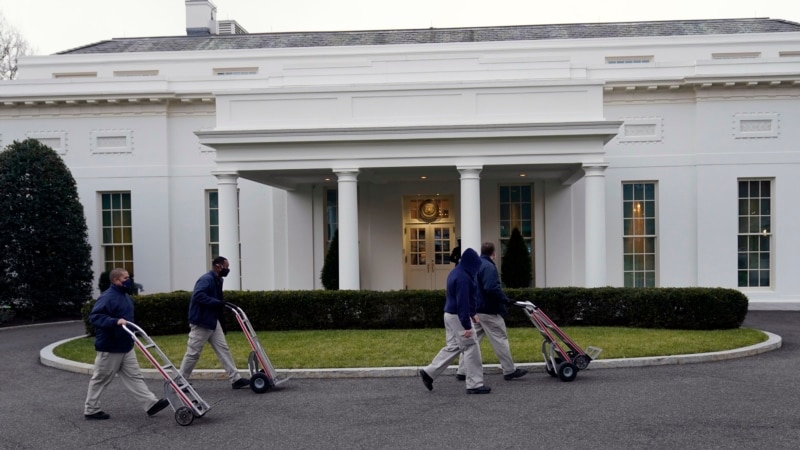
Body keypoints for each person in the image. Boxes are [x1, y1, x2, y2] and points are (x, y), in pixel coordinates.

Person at [84, 268, 169, 420]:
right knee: (101, 378)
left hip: (126, 344)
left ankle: (150, 404)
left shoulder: (125, 296)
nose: (128, 280)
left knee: (135, 376)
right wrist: (115, 321)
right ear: (116, 280)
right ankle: (91, 409)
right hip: (110, 347)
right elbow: (95, 317)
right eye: (125, 278)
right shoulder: (108, 297)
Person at [419, 248, 491, 394]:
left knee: (454, 346)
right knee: (471, 346)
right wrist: (467, 326)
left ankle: (429, 372)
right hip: (458, 316)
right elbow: (462, 304)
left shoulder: (457, 272)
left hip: (450, 314)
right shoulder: (464, 278)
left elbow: (462, 300)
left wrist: (472, 314)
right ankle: (475, 384)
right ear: (472, 264)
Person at [455, 242, 528, 381]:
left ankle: (462, 371)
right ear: (493, 253)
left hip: (476, 310)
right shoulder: (489, 267)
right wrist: (506, 300)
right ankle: (509, 370)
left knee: (470, 341)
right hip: (489, 310)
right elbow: (491, 288)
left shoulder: (475, 266)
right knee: (500, 338)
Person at [178, 256, 250, 389]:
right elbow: (198, 295)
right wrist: (218, 303)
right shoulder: (207, 279)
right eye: (226, 267)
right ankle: (180, 382)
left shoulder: (218, 280)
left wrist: (221, 320)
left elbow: (217, 302)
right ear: (218, 266)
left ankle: (235, 379)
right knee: (193, 353)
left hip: (212, 321)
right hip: (201, 321)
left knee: (223, 349)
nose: (228, 269)